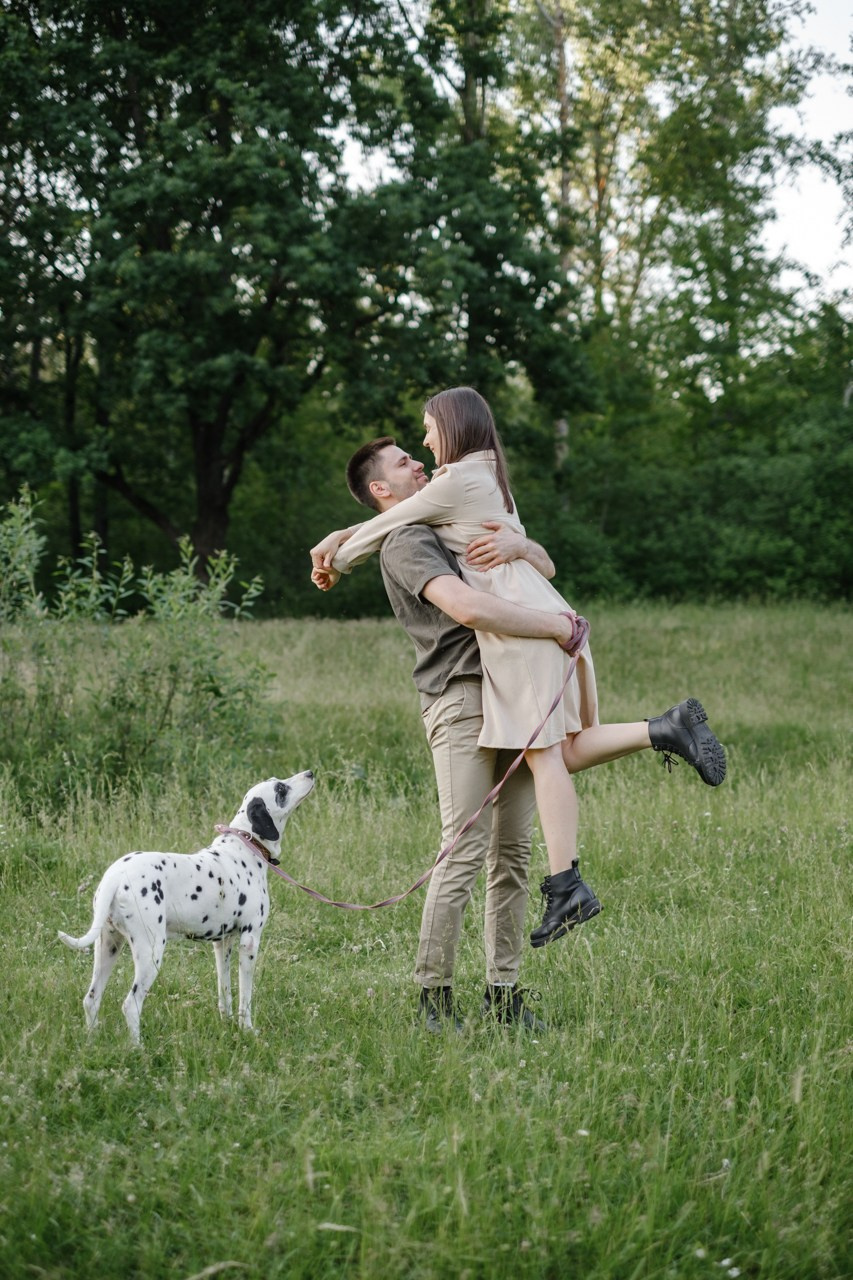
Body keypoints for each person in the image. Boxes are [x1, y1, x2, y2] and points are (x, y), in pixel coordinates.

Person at [310, 389, 727, 949]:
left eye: (427, 432)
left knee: (546, 756)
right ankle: (663, 729)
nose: (424, 446)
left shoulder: (454, 483)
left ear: (453, 428)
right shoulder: (482, 481)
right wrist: (523, 547)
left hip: (528, 630)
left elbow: (393, 535)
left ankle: (567, 884)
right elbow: (400, 524)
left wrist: (333, 556)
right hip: (544, 618)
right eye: (410, 451)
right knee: (565, 747)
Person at [314, 438, 586, 1031]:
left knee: (512, 854)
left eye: (416, 452)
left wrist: (522, 545)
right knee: (462, 848)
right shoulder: (408, 541)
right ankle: (432, 999)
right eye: (402, 463)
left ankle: (504, 995)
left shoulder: (443, 517)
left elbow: (538, 562)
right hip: (459, 698)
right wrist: (561, 626)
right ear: (383, 489)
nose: (418, 461)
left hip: (504, 693)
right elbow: (467, 607)